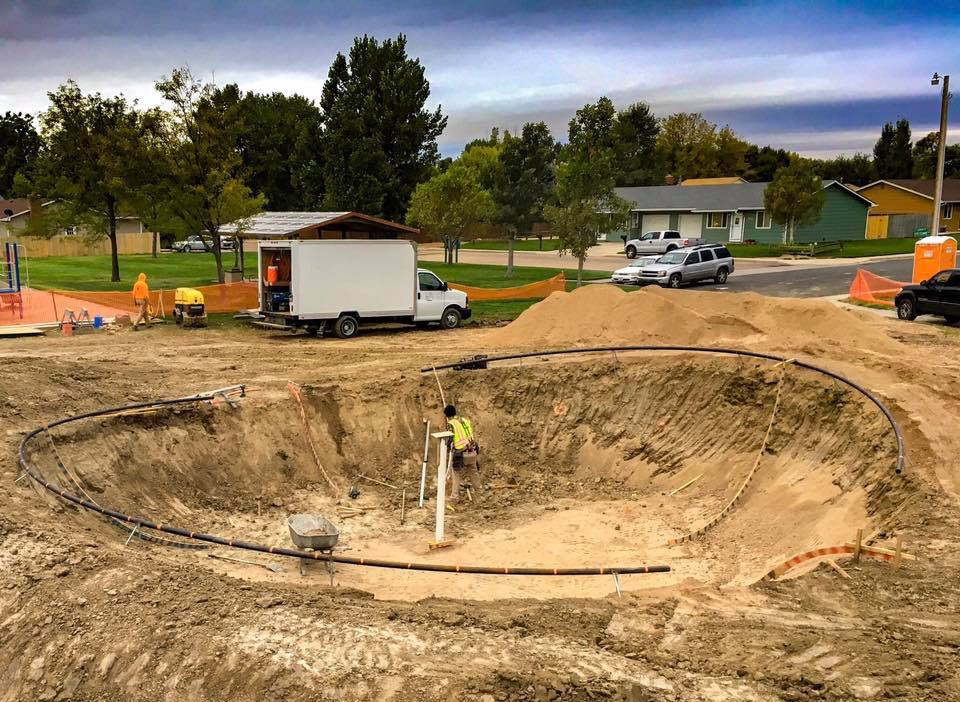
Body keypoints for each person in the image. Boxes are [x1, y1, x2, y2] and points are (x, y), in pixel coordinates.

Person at [444, 404, 480, 503]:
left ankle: (454, 497)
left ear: (447, 415)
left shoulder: (451, 424)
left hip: (461, 453)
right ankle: (479, 492)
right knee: (473, 471)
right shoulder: (464, 420)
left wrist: (447, 448)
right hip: (472, 449)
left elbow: (450, 440)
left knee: (456, 473)